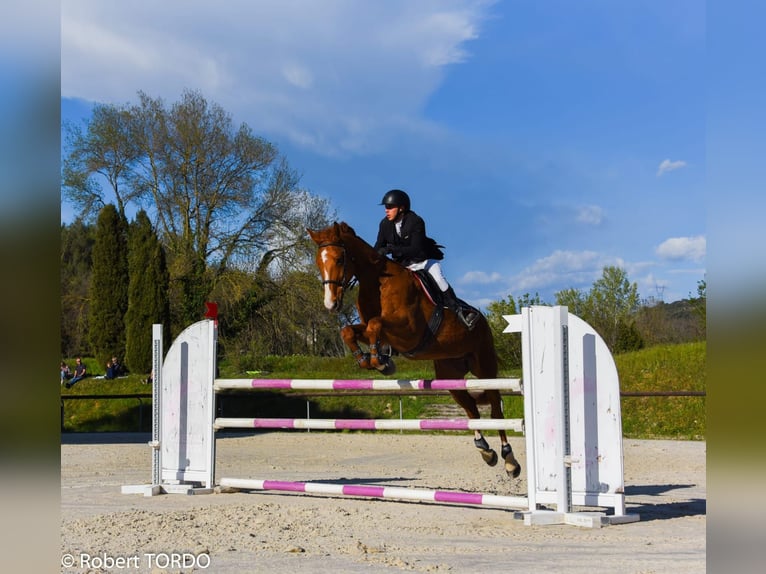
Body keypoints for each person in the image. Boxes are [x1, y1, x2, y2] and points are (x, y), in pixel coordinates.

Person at [373, 189, 478, 329]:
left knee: (439, 279)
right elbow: (377, 247)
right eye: (386, 207)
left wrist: (390, 249)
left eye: (390, 207)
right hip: (404, 265)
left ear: (401, 208)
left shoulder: (416, 221)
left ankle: (461, 312)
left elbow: (415, 249)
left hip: (424, 261)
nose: (387, 210)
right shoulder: (385, 224)